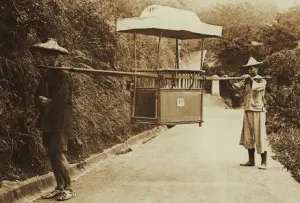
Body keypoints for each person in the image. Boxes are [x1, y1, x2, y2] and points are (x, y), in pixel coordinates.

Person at [31, 38, 76, 200]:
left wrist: (48, 101)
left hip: (61, 119)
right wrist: (40, 100)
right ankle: (59, 186)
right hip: (48, 118)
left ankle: (69, 188)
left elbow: (63, 98)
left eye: (50, 55)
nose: (47, 58)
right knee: (51, 153)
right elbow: (37, 95)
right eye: (45, 55)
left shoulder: (64, 74)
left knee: (58, 153)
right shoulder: (47, 75)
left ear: (57, 57)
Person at [230, 57, 268, 170]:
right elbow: (236, 87)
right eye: (249, 68)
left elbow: (256, 87)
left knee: (260, 135)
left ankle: (264, 162)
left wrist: (249, 79)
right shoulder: (246, 80)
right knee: (248, 135)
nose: (250, 70)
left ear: (257, 69)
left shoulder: (261, 80)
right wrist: (229, 80)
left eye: (253, 68)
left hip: (258, 110)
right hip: (248, 109)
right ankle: (251, 160)